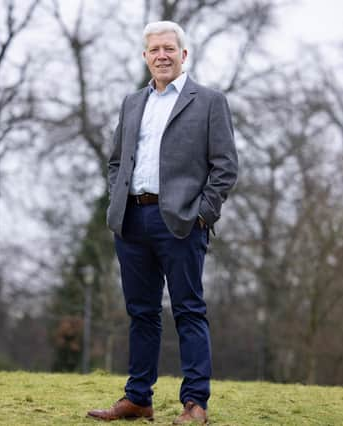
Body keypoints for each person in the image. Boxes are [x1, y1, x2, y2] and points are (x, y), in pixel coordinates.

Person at [87, 20, 238, 424]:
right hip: (132, 222)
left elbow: (225, 167)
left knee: (188, 310)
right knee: (141, 313)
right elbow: (117, 160)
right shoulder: (132, 103)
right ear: (145, 57)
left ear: (183, 54)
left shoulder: (208, 102)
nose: (162, 55)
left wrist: (203, 214)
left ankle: (195, 404)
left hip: (182, 223)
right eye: (154, 50)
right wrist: (116, 201)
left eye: (169, 48)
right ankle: (138, 399)